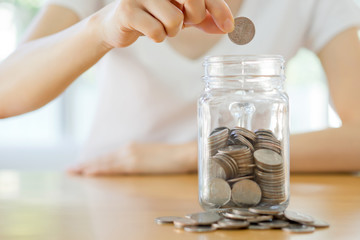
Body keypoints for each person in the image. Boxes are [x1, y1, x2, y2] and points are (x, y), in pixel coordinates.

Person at [0, 0, 359, 175]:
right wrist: (100, 27)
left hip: (240, 187)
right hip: (114, 180)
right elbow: (5, 92)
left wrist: (191, 155)